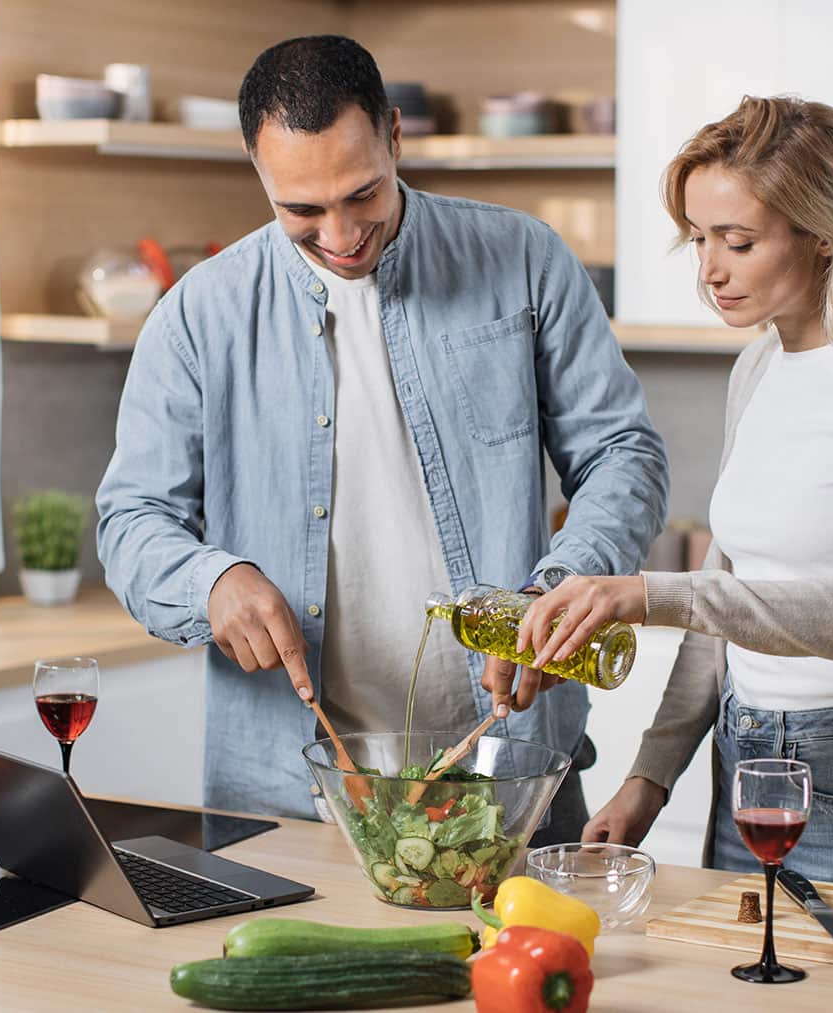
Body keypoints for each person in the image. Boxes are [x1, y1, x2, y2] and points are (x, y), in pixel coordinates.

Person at [96, 35, 668, 844]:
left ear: (396, 136)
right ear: (259, 174)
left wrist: (561, 589)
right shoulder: (197, 318)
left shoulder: (524, 260)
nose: (340, 232)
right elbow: (130, 524)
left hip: (513, 780)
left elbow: (624, 454)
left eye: (362, 192)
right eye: (302, 210)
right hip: (286, 799)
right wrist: (212, 581)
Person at [484, 95, 833, 883]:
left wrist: (650, 593)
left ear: (822, 234)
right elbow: (726, 593)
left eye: (738, 241)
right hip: (743, 758)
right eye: (700, 238)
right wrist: (650, 776)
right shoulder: (757, 367)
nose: (711, 269)